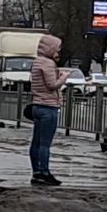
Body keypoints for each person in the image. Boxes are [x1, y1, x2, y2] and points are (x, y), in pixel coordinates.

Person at [27, 33, 66, 186]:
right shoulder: (47, 64)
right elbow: (52, 85)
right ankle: (44, 172)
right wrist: (63, 77)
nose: (58, 52)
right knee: (45, 143)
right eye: (56, 49)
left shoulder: (37, 62)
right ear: (50, 48)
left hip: (37, 105)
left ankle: (36, 171)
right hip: (48, 107)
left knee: (36, 142)